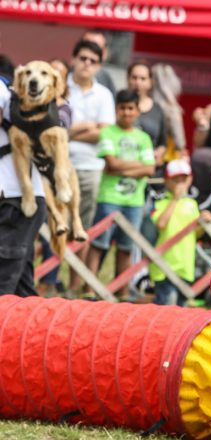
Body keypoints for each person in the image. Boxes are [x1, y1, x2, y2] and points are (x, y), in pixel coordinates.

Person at [85, 89, 155, 299]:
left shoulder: (144, 138)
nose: (126, 112)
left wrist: (119, 167)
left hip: (134, 202)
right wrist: (136, 165)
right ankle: (89, 290)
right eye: (122, 108)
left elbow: (149, 170)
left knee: (126, 248)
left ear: (137, 111)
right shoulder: (107, 133)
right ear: (116, 110)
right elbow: (111, 163)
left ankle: (122, 292)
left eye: (130, 108)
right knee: (98, 246)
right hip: (109, 199)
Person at [67, 39, 115, 292]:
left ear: (98, 66)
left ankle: (74, 285)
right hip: (57, 164)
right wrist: (86, 127)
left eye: (92, 61)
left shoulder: (104, 94)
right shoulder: (59, 87)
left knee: (81, 228)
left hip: (90, 167)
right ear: (73, 58)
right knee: (54, 224)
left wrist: (68, 132)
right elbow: (52, 126)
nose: (86, 64)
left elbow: (104, 133)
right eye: (83, 58)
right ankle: (47, 280)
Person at [0, 74, 46, 296]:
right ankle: (37, 330)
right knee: (21, 288)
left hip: (15, 199)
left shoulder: (1, 86)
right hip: (17, 199)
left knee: (4, 282)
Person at [149, 159, 211, 306]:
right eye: (175, 180)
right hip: (164, 267)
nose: (180, 184)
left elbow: (196, 234)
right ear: (166, 181)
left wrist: (204, 222)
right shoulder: (160, 202)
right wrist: (175, 199)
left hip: (185, 266)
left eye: (183, 180)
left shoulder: (192, 204)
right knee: (167, 306)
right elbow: (161, 224)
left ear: (190, 180)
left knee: (180, 309)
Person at [37, 58, 72, 297]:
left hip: (54, 176)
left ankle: (49, 280)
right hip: (27, 177)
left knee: (54, 227)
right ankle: (28, 278)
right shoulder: (27, 103)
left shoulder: (64, 108)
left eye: (59, 74)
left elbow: (53, 135)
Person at [127, 60, 167, 165]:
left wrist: (158, 153)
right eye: (134, 78)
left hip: (149, 166)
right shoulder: (119, 104)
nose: (138, 82)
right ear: (128, 79)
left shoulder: (158, 109)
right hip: (123, 164)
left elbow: (163, 143)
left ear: (150, 82)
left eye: (143, 79)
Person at [151, 63, 187, 159]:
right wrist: (181, 149)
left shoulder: (149, 103)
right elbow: (179, 139)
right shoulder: (172, 108)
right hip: (167, 156)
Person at [81, 29, 116, 96]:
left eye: (96, 48)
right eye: (87, 46)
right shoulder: (66, 76)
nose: (88, 62)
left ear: (104, 52)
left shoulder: (106, 79)